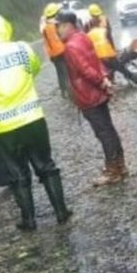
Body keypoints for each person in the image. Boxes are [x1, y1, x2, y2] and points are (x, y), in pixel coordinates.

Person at [0, 13, 71, 231]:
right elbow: (34, 68)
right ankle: (61, 211)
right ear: (6, 28)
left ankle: (29, 219)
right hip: (33, 118)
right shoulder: (22, 48)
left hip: (5, 127)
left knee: (18, 174)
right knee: (46, 165)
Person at [56, 10, 128, 186]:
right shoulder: (82, 37)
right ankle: (120, 165)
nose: (58, 31)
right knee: (109, 129)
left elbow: (86, 70)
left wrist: (101, 83)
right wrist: (104, 81)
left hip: (88, 95)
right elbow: (95, 62)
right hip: (98, 93)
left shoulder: (70, 47)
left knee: (103, 133)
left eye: (59, 26)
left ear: (67, 25)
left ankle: (113, 171)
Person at [87, 3, 137, 88]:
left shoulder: (92, 26)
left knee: (112, 70)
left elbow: (105, 38)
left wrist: (112, 50)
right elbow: (104, 39)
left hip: (102, 54)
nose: (96, 18)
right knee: (118, 69)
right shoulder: (95, 26)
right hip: (104, 54)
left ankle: (111, 86)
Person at [41, 3, 70, 97]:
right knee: (67, 72)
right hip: (62, 51)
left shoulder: (45, 27)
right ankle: (70, 92)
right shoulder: (57, 24)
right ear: (56, 13)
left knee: (60, 73)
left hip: (53, 55)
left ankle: (63, 91)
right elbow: (63, 37)